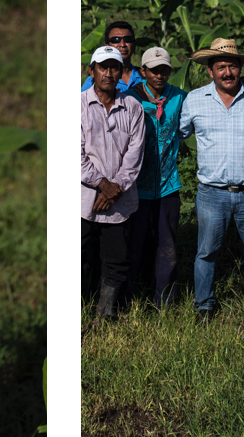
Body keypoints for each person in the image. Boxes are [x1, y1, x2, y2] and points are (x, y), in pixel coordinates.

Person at [178, 38, 244, 323]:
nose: (227, 73)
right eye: (221, 67)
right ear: (210, 71)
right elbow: (176, 133)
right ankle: (204, 306)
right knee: (206, 252)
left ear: (240, 68)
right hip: (211, 192)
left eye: (232, 66)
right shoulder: (194, 100)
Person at [120, 46, 187, 308]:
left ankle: (165, 303)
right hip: (136, 187)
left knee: (167, 246)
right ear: (143, 71)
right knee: (132, 245)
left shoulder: (179, 98)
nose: (160, 75)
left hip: (168, 186)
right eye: (155, 70)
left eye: (165, 70)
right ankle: (126, 300)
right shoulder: (129, 100)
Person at [81, 45, 145, 318]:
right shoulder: (76, 106)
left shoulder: (132, 107)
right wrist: (101, 184)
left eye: (114, 68)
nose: (108, 73)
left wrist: (116, 186)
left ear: (121, 72)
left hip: (119, 201)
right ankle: (81, 309)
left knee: (116, 259)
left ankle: (105, 313)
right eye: (103, 67)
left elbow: (135, 150)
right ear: (91, 71)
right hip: (85, 200)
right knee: (81, 258)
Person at [81, 21, 144, 93]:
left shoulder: (145, 76)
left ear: (134, 46)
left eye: (127, 39)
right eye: (116, 40)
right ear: (107, 46)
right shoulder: (94, 81)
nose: (122, 44)